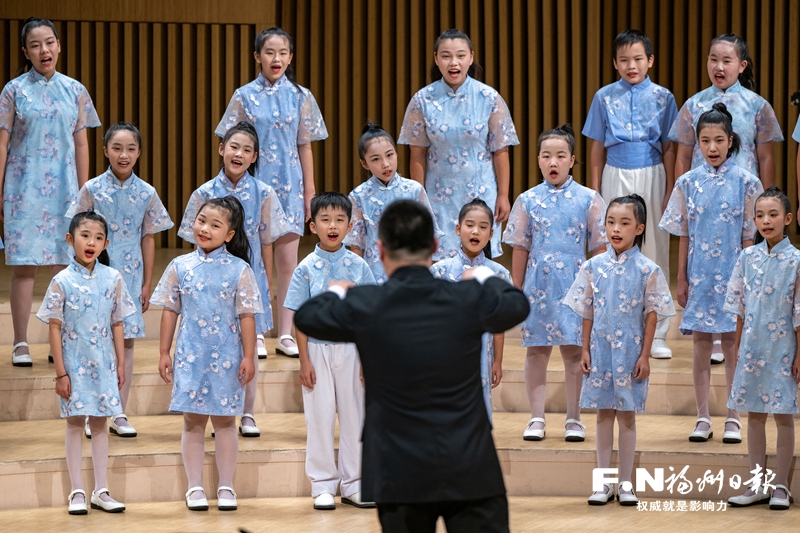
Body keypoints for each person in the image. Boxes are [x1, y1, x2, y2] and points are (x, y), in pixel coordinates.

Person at [294, 200, 529, 533]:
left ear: (380, 249)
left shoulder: (367, 304)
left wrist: (337, 291)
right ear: (434, 246)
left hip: (397, 467)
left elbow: (307, 317)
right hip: (468, 462)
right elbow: (517, 305)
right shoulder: (466, 297)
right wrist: (483, 277)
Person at [670, 33, 783, 364]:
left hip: (742, 199)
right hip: (703, 200)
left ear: (741, 65)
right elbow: (682, 155)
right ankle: (711, 333)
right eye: (712, 59)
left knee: (741, 264)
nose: (718, 67)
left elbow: (766, 159)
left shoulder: (757, 106)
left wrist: (769, 205)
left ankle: (737, 332)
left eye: (726, 60)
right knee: (704, 264)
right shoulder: (693, 105)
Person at [215, 27, 328, 359]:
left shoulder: (301, 96)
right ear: (257, 56)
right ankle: (259, 331)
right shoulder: (244, 95)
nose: (276, 58)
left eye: (283, 53)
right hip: (253, 188)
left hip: (290, 187)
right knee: (255, 262)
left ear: (290, 57)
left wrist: (310, 192)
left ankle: (285, 333)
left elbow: (304, 146)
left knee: (287, 264)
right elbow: (231, 144)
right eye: (269, 52)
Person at [660, 103, 763, 444]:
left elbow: (750, 236)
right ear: (698, 142)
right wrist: (681, 278)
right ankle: (703, 418)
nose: (712, 147)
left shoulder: (747, 182)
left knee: (732, 347)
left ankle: (733, 417)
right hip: (700, 276)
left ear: (731, 141)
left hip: (735, 276)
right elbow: (684, 234)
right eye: (705, 140)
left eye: (719, 140)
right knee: (702, 347)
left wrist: (748, 281)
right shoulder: (687, 182)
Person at [151, 197, 263, 512]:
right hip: (191, 356)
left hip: (228, 357)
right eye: (202, 221)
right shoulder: (180, 266)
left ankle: (226, 485)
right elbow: (170, 311)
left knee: (226, 422)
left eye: (215, 225)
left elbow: (247, 315)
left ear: (229, 234)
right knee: (193, 422)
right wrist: (163, 352)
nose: (205, 228)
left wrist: (248, 355)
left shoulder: (240, 269)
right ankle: (194, 487)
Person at [0, 17, 101, 367]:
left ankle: (59, 343)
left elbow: (82, 144)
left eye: (49, 42)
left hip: (64, 191)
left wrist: (84, 194)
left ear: (59, 45)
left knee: (64, 268)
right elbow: (2, 143)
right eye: (35, 45)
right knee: (24, 268)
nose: (44, 50)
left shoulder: (75, 90)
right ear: (26, 52)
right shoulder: (12, 91)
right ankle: (20, 342)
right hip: (22, 189)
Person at [178, 122, 289, 438]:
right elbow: (193, 242)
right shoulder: (204, 193)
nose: (239, 153)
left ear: (255, 157)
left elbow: (265, 242)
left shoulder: (263, 193)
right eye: (234, 146)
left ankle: (248, 413)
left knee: (247, 349)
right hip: (209, 285)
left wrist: (264, 283)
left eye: (247, 149)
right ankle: (219, 411)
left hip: (247, 281)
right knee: (214, 347)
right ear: (221, 149)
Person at [564, 195, 675, 506]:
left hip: (630, 353)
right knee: (602, 414)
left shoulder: (647, 269)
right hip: (599, 352)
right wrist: (584, 349)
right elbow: (586, 311)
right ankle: (603, 483)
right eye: (611, 222)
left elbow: (652, 313)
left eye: (624, 223)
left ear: (639, 228)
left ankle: (625, 483)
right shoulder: (592, 266)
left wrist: (645, 355)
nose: (616, 228)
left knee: (626, 416)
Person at [66, 123, 173, 439]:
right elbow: (76, 233)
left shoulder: (147, 193)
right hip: (93, 275)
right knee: (93, 341)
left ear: (139, 152)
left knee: (125, 343)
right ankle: (91, 409)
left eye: (130, 149)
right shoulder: (93, 189)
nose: (123, 155)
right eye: (116, 148)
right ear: (105, 151)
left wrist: (146, 283)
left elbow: (149, 238)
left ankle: (118, 412)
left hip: (130, 276)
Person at [502, 125, 606, 442]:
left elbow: (600, 248)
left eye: (560, 156)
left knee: (574, 353)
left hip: (576, 286)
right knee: (537, 352)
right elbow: (520, 247)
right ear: (538, 160)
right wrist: (516, 292)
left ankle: (574, 418)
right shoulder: (527, 200)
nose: (553, 162)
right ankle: (536, 418)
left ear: (573, 160)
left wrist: (596, 291)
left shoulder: (589, 199)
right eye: (547, 156)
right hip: (538, 287)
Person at [583, 29, 678, 359]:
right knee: (615, 245)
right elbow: (596, 145)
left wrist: (669, 189)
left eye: (638, 58)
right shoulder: (603, 96)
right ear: (614, 62)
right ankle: (613, 324)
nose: (631, 65)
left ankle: (660, 332)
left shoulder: (664, 97)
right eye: (623, 60)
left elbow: (669, 147)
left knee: (654, 245)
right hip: (615, 172)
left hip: (653, 172)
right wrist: (596, 189)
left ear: (650, 60)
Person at [36, 211, 136, 515]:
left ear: (105, 243)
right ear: (70, 239)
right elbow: (54, 326)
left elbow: (117, 322)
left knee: (101, 425)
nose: (91, 242)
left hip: (104, 365)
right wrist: (61, 373)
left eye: (98, 237)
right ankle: (77, 490)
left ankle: (100, 489)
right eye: (84, 235)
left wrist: (120, 364)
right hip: (74, 367)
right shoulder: (61, 281)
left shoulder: (113, 278)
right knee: (75, 424)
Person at [284, 192, 376, 511]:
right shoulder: (306, 268)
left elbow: (369, 315)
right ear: (313, 226)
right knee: (320, 418)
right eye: (325, 219)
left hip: (352, 351)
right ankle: (323, 484)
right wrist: (304, 360)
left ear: (350, 226)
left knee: (356, 418)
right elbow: (298, 315)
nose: (332, 225)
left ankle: (355, 483)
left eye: (339, 220)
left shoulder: (359, 265)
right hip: (318, 352)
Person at [398, 29, 519, 260]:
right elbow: (417, 155)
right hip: (438, 195)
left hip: (481, 193)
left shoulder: (489, 97)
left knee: (479, 263)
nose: (454, 62)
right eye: (446, 56)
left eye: (460, 55)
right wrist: (419, 199)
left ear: (471, 58)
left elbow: (501, 151)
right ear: (436, 58)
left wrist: (503, 195)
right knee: (440, 264)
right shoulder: (422, 100)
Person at [725, 187, 800, 511]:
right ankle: (757, 483)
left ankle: (781, 485)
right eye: (759, 215)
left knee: (783, 417)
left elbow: (799, 310)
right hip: (753, 348)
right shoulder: (747, 257)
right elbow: (740, 305)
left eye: (772, 215)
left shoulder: (797, 260)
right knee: (754, 416)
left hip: (784, 347)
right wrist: (739, 343)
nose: (766, 221)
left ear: (787, 218)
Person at [431, 199, 510, 424]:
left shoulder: (499, 274)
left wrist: (498, 360)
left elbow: (499, 322)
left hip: (482, 355)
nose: (476, 231)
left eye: (483, 227)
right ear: (458, 228)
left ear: (491, 233)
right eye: (470, 225)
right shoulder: (439, 271)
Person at [345, 122, 439, 284]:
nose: (385, 164)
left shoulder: (414, 189)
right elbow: (357, 244)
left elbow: (427, 235)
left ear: (396, 153)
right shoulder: (358, 195)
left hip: (412, 267)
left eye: (390, 155)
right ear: (364, 163)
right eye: (376, 159)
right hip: (373, 271)